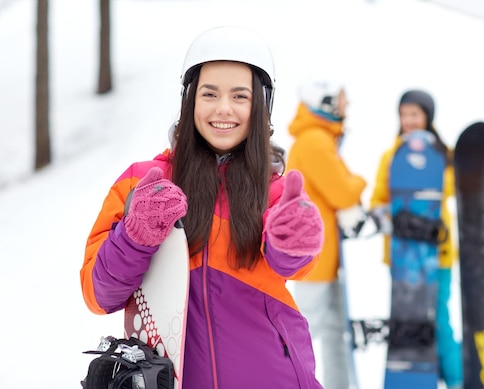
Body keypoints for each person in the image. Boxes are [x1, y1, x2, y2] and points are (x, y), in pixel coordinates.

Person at [79, 26, 325, 389]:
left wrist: (294, 241)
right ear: (190, 100)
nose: (223, 109)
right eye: (209, 94)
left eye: (240, 96)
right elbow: (99, 295)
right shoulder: (143, 183)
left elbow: (295, 266)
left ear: (260, 107)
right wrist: (135, 237)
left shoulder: (273, 191)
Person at [369, 89, 463, 389]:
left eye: (415, 114)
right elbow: (378, 200)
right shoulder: (391, 155)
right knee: (409, 324)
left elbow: (445, 189)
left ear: (428, 117)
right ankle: (414, 379)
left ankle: (458, 379)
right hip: (403, 258)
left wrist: (422, 158)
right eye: (404, 114)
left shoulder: (441, 155)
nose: (408, 121)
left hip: (438, 257)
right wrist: (388, 215)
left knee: (438, 321)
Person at [285, 79, 367, 389]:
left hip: (325, 255)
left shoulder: (321, 139)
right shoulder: (315, 141)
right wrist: (359, 182)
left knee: (334, 330)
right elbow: (344, 192)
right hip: (313, 257)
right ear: (328, 102)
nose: (347, 106)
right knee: (307, 330)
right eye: (342, 100)